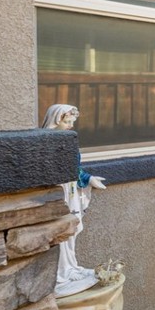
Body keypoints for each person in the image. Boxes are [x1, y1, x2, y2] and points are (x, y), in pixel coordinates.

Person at [42, 104, 106, 297]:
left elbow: (73, 168)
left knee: (73, 229)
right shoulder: (46, 142)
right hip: (57, 192)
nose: (70, 125)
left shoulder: (67, 140)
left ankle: (71, 266)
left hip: (70, 190)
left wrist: (88, 179)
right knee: (61, 229)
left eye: (72, 122)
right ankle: (61, 272)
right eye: (67, 121)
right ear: (56, 120)